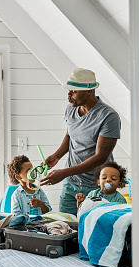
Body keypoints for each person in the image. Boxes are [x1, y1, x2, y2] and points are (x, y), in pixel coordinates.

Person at [40, 68, 121, 215]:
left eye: (74, 91)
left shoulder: (109, 116)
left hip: (96, 186)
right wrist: (57, 156)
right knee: (66, 226)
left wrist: (63, 173)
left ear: (89, 91)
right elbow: (69, 135)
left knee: (92, 229)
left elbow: (100, 157)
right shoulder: (71, 109)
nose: (69, 95)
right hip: (71, 184)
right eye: (69, 90)